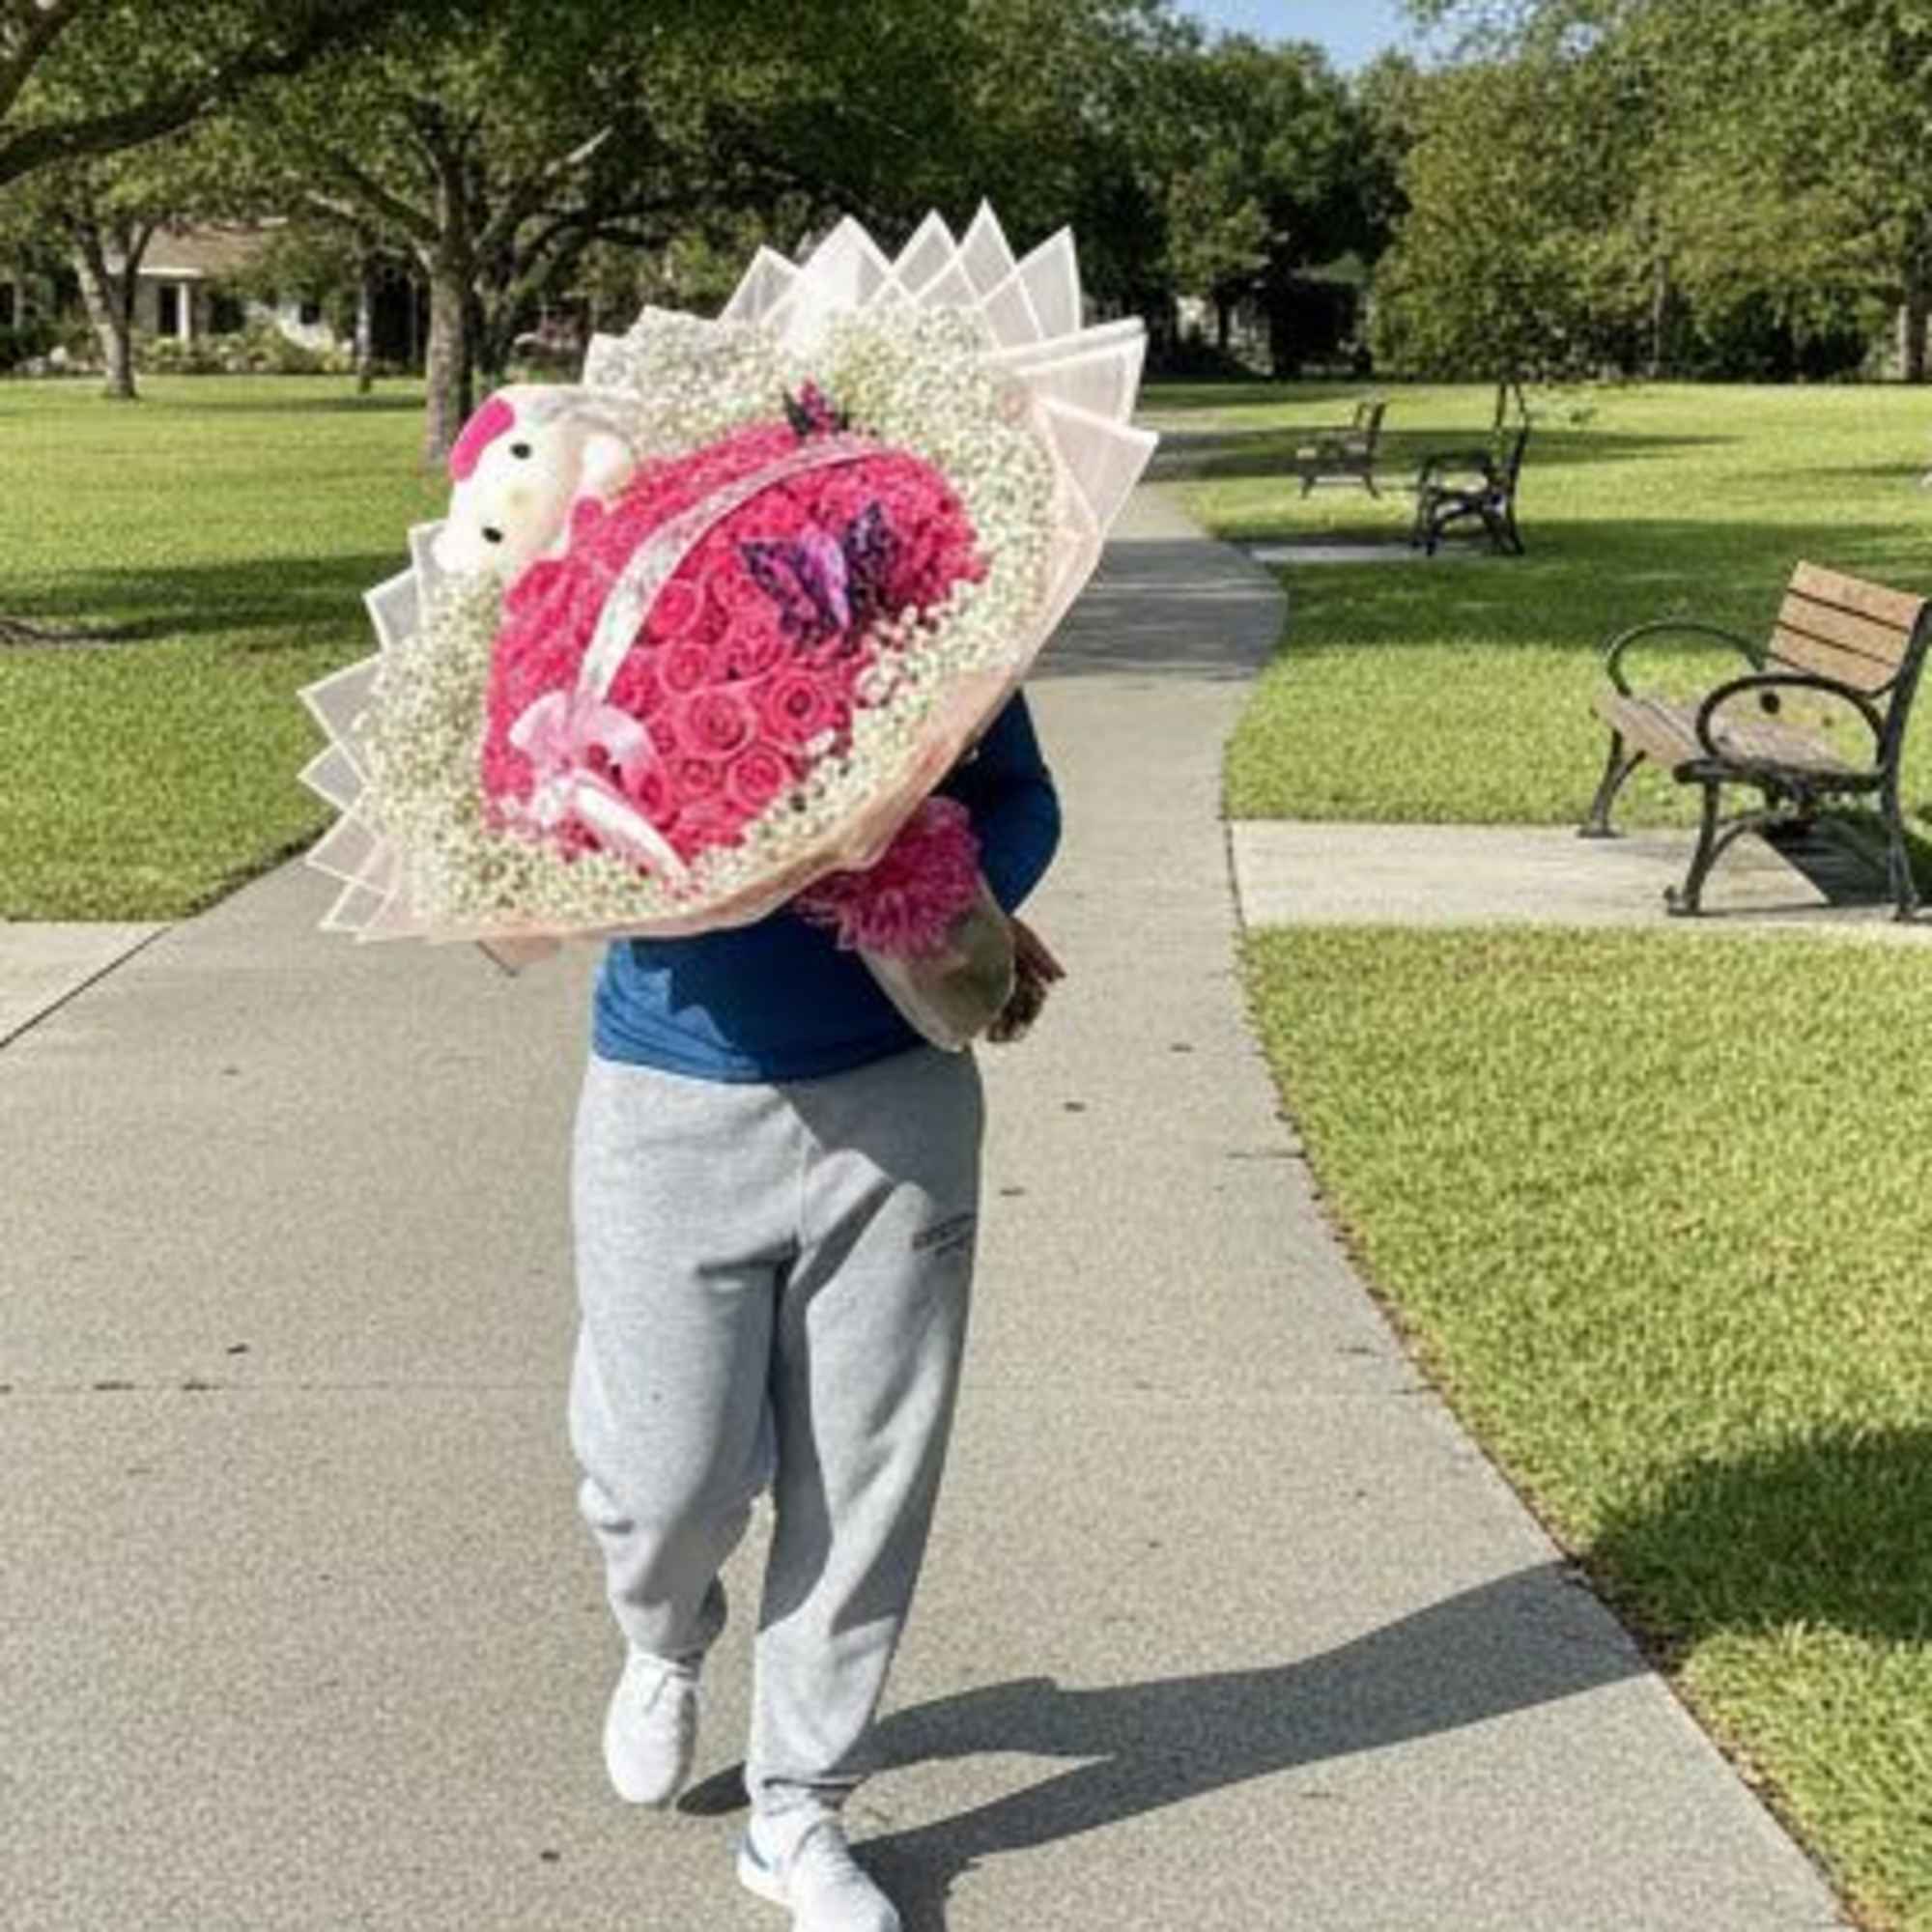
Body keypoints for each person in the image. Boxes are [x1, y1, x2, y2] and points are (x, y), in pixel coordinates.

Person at [567, 691, 1062, 1932]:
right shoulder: (616, 598)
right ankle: (665, 1630)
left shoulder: (922, 603)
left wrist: (924, 887)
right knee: (662, 1476)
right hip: (666, 1096)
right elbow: (546, 819)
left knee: (865, 1466)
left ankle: (797, 1807)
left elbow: (1019, 793)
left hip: (893, 1099)